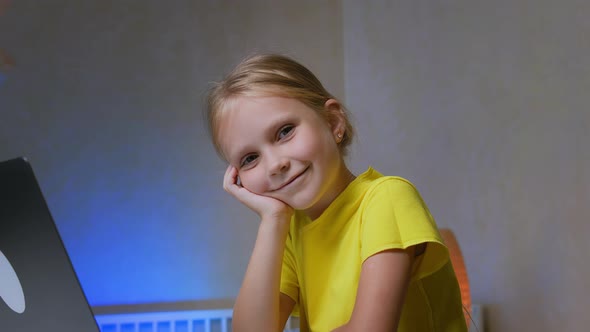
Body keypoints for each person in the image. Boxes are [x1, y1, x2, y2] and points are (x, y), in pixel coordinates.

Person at [205, 53, 467, 332]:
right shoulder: (291, 231)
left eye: (284, 132)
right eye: (249, 159)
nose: (275, 165)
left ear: (333, 122)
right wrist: (273, 219)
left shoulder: (386, 198)